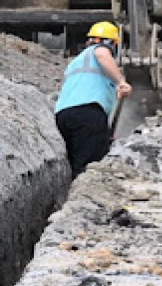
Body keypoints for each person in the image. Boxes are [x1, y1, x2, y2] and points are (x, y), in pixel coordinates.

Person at [54, 21, 133, 175]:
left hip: (63, 116)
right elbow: (102, 54)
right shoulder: (100, 50)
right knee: (90, 167)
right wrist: (121, 81)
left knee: (77, 163)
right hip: (88, 113)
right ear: (113, 43)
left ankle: (74, 193)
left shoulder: (77, 61)